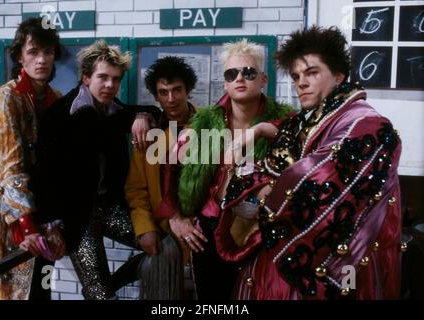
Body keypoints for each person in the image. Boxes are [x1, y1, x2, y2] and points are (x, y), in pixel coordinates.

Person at [215, 26, 402, 299]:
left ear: (338, 76)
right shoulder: (303, 121)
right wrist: (259, 131)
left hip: (330, 270)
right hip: (279, 265)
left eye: (312, 73)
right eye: (295, 76)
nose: (301, 82)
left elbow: (314, 190)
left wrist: (264, 189)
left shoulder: (367, 124)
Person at [33, 40, 160, 300]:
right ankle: (103, 289)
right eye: (102, 78)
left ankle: (110, 284)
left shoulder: (115, 110)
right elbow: (43, 177)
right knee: (99, 293)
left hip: (109, 208)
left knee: (164, 245)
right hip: (75, 218)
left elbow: (153, 111)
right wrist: (51, 225)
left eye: (115, 79)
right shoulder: (59, 115)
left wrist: (143, 117)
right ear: (85, 77)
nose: (110, 85)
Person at [174, 39, 292, 299]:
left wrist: (259, 131)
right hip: (209, 230)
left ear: (263, 80)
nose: (240, 78)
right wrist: (176, 216)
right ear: (225, 83)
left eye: (248, 73)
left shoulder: (286, 121)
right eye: (232, 73)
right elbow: (170, 171)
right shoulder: (203, 122)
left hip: (260, 232)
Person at [0, 17, 65, 300]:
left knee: (42, 289)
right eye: (33, 52)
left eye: (48, 52)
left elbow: (59, 166)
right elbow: (11, 168)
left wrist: (54, 223)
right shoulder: (6, 99)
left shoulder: (55, 97)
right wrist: (27, 224)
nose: (41, 60)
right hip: (11, 216)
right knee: (11, 292)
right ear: (19, 56)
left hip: (47, 215)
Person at [125, 56, 202, 299]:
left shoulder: (210, 126)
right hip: (165, 239)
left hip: (203, 237)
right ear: (156, 96)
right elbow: (137, 190)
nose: (171, 99)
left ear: (188, 90)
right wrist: (145, 228)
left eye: (177, 90)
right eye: (163, 92)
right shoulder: (149, 135)